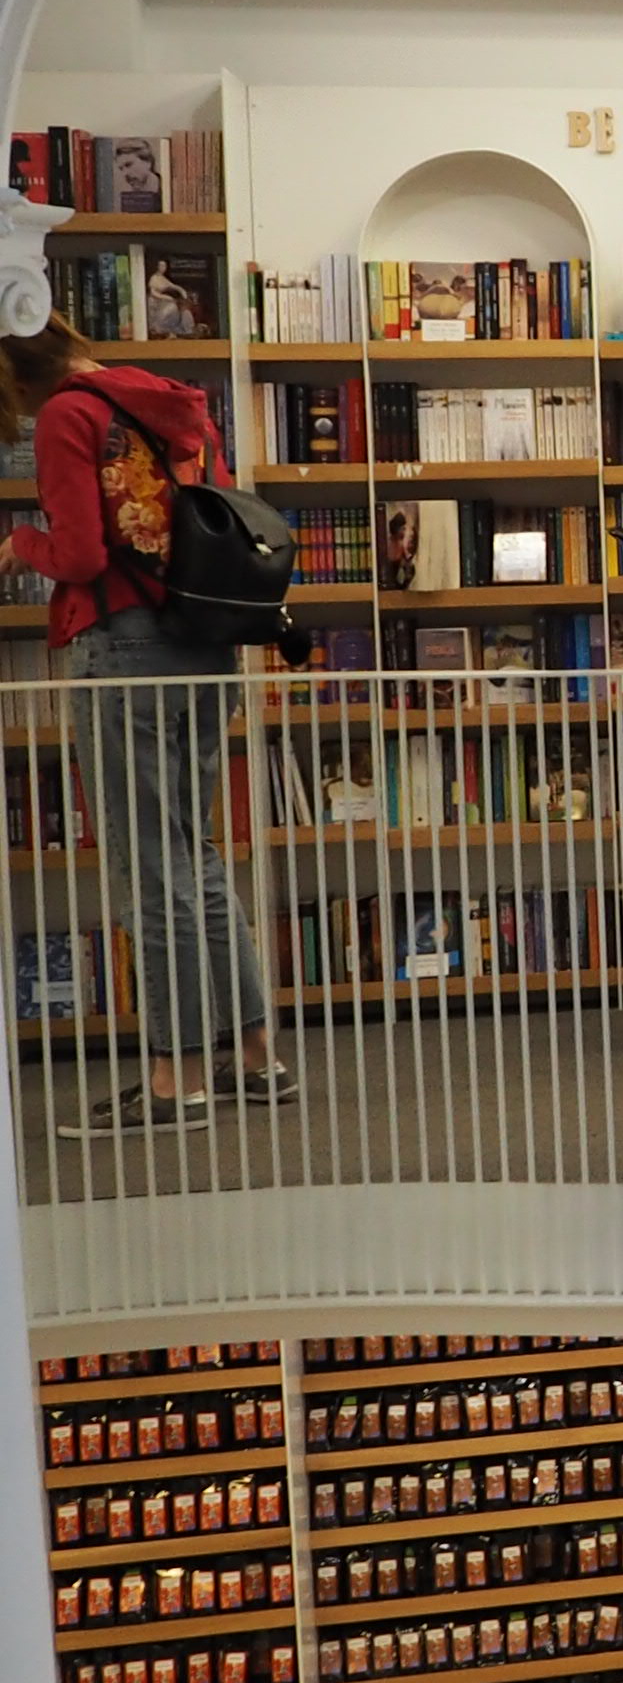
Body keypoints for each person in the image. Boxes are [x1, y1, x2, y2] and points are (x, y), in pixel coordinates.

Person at [0, 322, 287, 1134]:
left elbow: (84, 556)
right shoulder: (168, 404)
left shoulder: (68, 415)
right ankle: (255, 1054)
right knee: (193, 853)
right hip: (205, 642)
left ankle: (176, 1076)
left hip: (124, 649)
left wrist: (23, 544)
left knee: (148, 865)